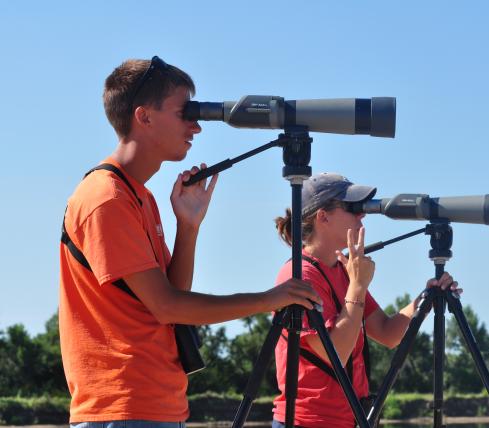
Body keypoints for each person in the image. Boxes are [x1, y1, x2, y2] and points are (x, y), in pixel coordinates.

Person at [59, 56, 321, 427]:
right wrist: (268, 300)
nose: (196, 127)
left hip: (155, 405)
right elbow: (168, 307)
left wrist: (188, 226)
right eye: (186, 113)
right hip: (122, 407)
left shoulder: (138, 196)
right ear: (144, 117)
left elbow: (171, 299)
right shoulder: (106, 198)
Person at [271, 173, 462, 428]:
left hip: (348, 421)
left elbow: (387, 333)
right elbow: (336, 353)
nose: (362, 214)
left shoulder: (343, 271)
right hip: (307, 421)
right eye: (352, 207)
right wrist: (358, 286)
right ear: (322, 216)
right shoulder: (299, 276)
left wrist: (425, 299)